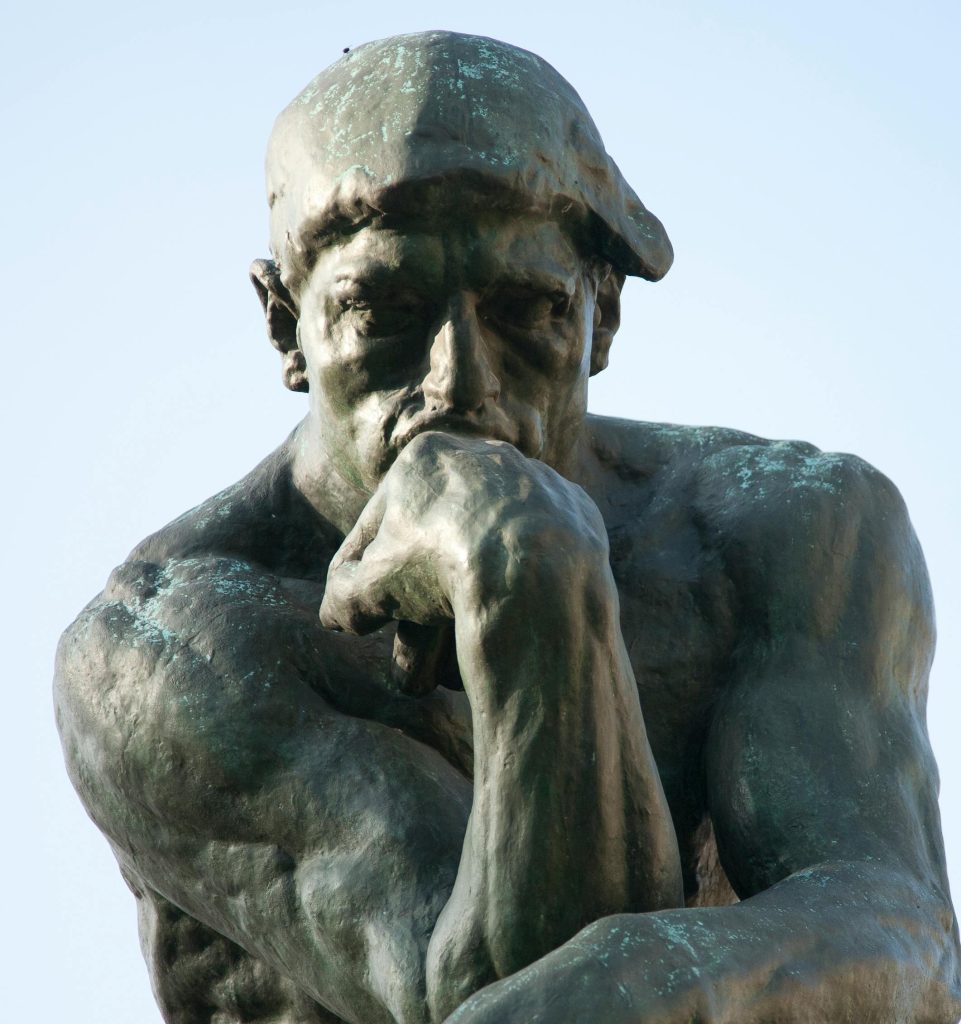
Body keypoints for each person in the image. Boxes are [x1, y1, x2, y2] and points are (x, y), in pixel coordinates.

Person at [55, 30, 961, 1024]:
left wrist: (650, 975)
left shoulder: (789, 527)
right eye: (383, 311)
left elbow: (904, 939)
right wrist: (529, 573)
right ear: (285, 324)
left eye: (527, 309)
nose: (459, 383)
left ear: (601, 315)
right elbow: (487, 989)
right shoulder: (156, 653)